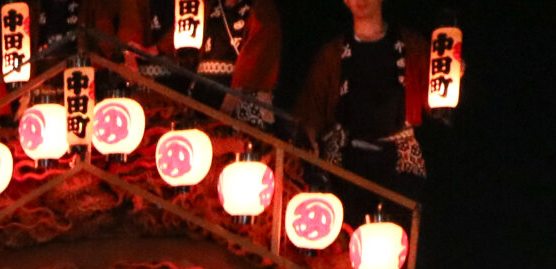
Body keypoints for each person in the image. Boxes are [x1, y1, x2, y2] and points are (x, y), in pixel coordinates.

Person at [295, 0, 435, 207]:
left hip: (400, 160)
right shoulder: (332, 54)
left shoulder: (412, 46)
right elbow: (311, 111)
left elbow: (437, 103)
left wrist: (452, 74)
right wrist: (309, 138)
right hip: (344, 160)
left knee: (397, 229)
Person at [125, 0, 282, 125]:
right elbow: (186, 36)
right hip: (203, 87)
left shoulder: (259, 9)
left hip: (236, 87)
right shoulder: (209, 5)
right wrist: (155, 49)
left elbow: (259, 55)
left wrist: (239, 91)